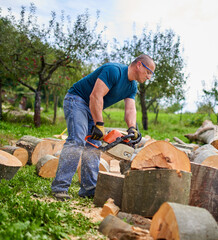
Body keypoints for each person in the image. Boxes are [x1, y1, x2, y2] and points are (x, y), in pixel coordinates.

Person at [51, 54, 155, 201]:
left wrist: (132, 128)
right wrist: (99, 124)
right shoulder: (114, 71)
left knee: (94, 145)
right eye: (148, 72)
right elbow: (95, 96)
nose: (149, 77)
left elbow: (130, 109)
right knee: (77, 140)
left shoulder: (132, 86)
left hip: (92, 107)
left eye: (151, 74)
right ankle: (60, 188)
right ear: (139, 65)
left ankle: (88, 189)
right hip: (77, 100)